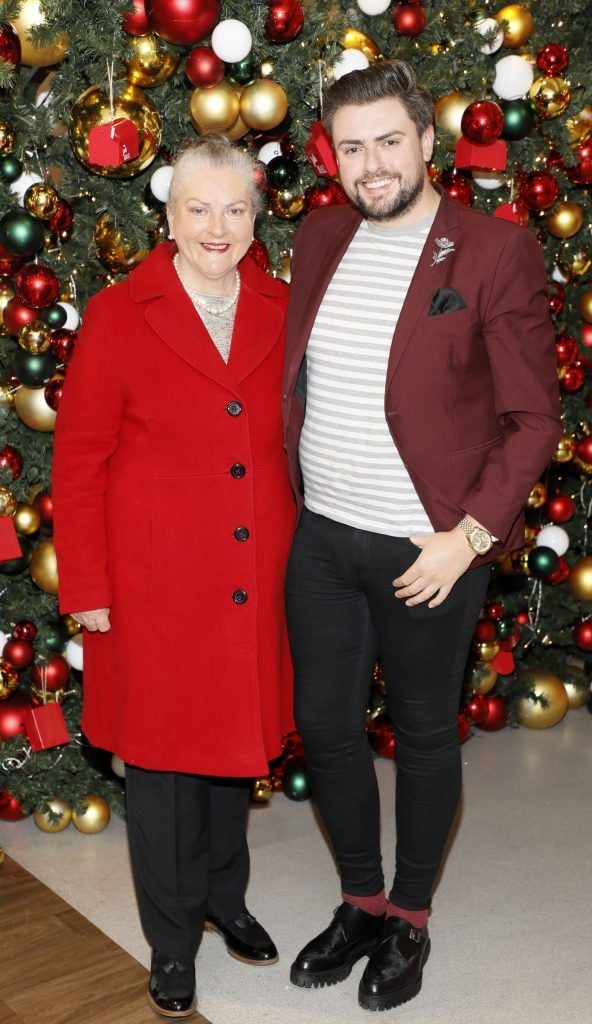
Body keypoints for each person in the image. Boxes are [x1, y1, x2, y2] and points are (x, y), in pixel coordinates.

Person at [282, 60, 561, 1013]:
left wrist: (469, 536)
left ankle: (410, 917)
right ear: (334, 155)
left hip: (429, 550)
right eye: (352, 148)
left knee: (426, 734)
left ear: (427, 143)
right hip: (322, 535)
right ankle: (360, 898)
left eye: (389, 142)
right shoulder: (319, 236)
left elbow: (534, 419)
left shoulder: (491, 250)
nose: (372, 165)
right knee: (323, 727)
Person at [53, 137, 296, 1020]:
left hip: (255, 574)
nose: (217, 227)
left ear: (258, 215)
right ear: (168, 215)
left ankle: (223, 899)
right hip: (155, 586)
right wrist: (87, 588)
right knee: (161, 770)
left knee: (233, 756)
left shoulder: (279, 303)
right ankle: (170, 943)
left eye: (236, 209)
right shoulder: (122, 311)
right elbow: (78, 461)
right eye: (199, 208)